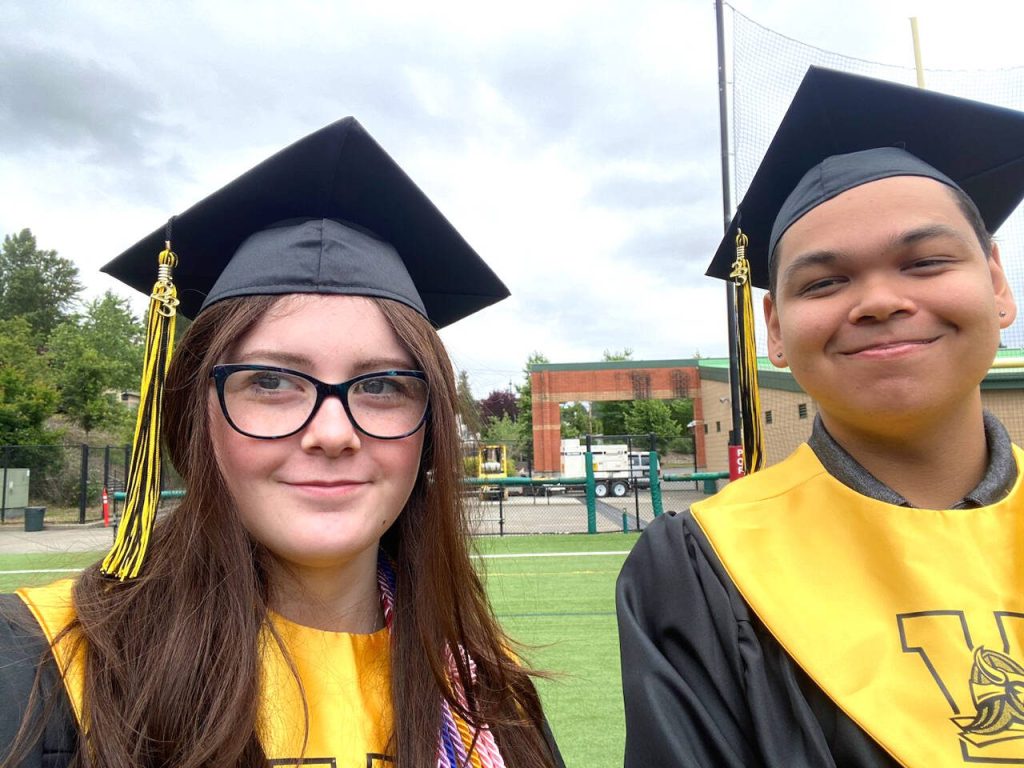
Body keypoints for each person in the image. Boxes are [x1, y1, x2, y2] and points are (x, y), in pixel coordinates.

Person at [0, 118, 565, 768]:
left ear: (429, 428)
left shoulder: (488, 703)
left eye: (382, 385)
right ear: (197, 413)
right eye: (270, 381)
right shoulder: (41, 670)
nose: (332, 433)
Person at [617, 66, 1024, 767]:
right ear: (774, 328)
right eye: (825, 282)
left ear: (995, 282)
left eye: (925, 260)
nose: (879, 301)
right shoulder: (702, 569)